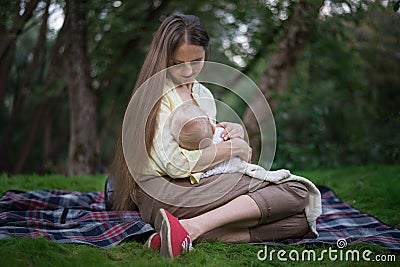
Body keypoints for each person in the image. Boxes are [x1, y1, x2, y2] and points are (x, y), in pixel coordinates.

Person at [110, 13, 322, 258]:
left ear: (206, 53)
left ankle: (183, 232)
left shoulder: (202, 94)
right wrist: (234, 150)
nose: (188, 71)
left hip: (199, 184)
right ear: (164, 58)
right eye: (178, 63)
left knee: (302, 221)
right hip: (165, 193)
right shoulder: (155, 97)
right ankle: (192, 226)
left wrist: (231, 132)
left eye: (197, 60)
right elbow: (176, 164)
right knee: (298, 193)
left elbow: (202, 142)